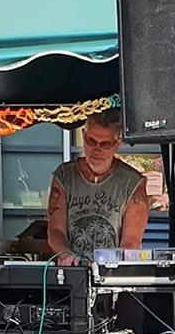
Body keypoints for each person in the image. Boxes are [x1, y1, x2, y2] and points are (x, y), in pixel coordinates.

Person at [46, 110, 149, 263]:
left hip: (112, 274)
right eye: (91, 141)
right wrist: (66, 255)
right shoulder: (64, 176)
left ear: (117, 143)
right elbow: (55, 230)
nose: (97, 150)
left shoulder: (133, 183)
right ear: (83, 134)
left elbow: (131, 241)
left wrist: (110, 266)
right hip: (72, 272)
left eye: (105, 144)